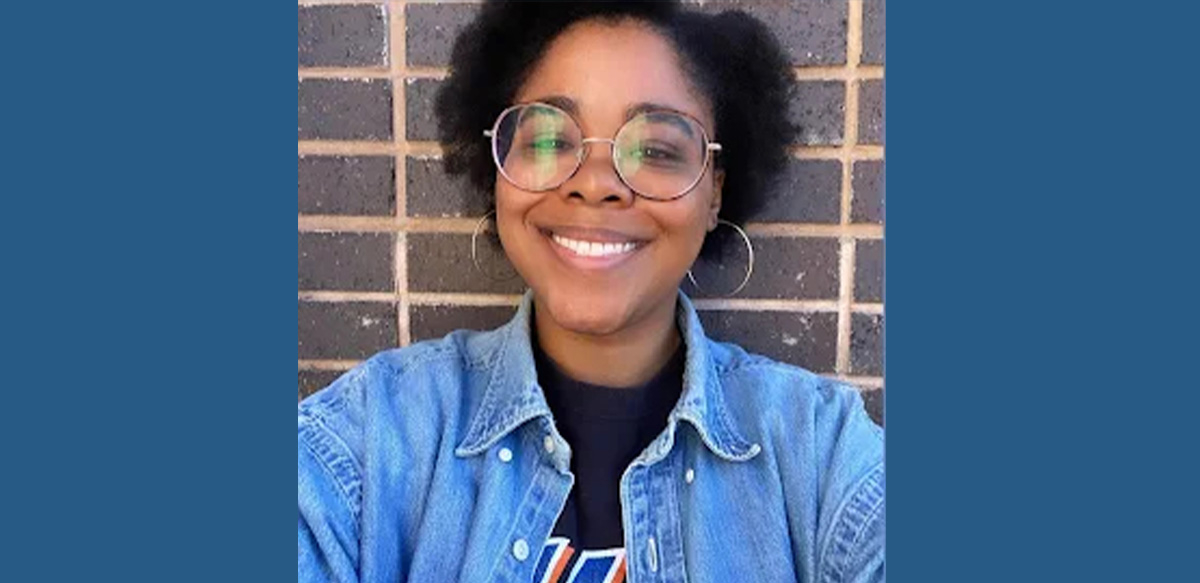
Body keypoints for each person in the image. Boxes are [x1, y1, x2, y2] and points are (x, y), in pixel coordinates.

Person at [298, 2, 884, 582]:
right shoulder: (374, 438)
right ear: (498, 171)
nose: (596, 184)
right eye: (549, 140)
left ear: (714, 195)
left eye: (655, 150)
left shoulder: (819, 453)